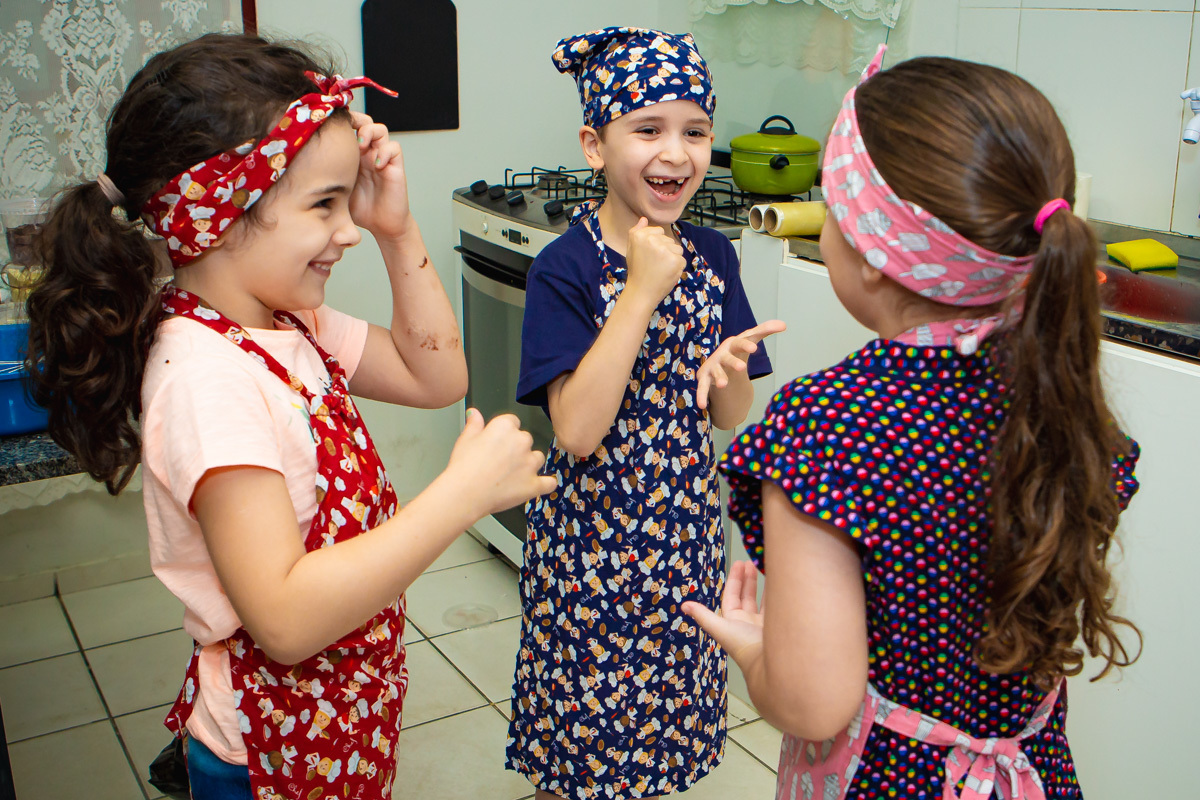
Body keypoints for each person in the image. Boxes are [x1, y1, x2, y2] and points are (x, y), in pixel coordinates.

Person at [25, 33, 553, 800]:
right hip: (266, 757)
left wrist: (394, 228)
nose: (346, 230)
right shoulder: (208, 378)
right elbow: (286, 618)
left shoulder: (281, 324)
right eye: (324, 205)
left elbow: (435, 373)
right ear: (216, 214)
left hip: (336, 723)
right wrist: (459, 496)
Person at [682, 48, 1143, 799]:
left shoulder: (826, 428)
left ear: (870, 251)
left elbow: (813, 701)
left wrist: (757, 650)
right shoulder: (1062, 393)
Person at [506, 26, 783, 800]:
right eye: (648, 129)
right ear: (596, 145)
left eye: (695, 130)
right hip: (592, 543)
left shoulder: (715, 255)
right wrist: (641, 291)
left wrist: (726, 372)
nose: (677, 152)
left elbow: (729, 412)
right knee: (585, 734)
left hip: (682, 534)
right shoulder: (564, 267)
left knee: (660, 722)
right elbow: (577, 431)